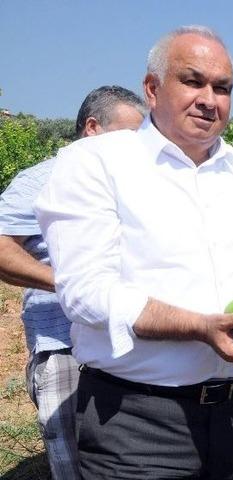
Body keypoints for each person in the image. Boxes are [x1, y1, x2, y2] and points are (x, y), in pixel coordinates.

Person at [34, 26, 233, 479]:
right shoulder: (96, 164)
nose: (210, 99)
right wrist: (199, 327)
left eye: (222, 88)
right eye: (193, 81)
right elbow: (87, 291)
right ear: (152, 88)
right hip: (136, 423)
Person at [0, 85, 146, 479]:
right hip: (63, 343)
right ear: (93, 129)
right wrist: (69, 284)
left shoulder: (133, 184)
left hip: (124, 342)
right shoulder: (43, 180)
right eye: (130, 136)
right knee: (72, 460)